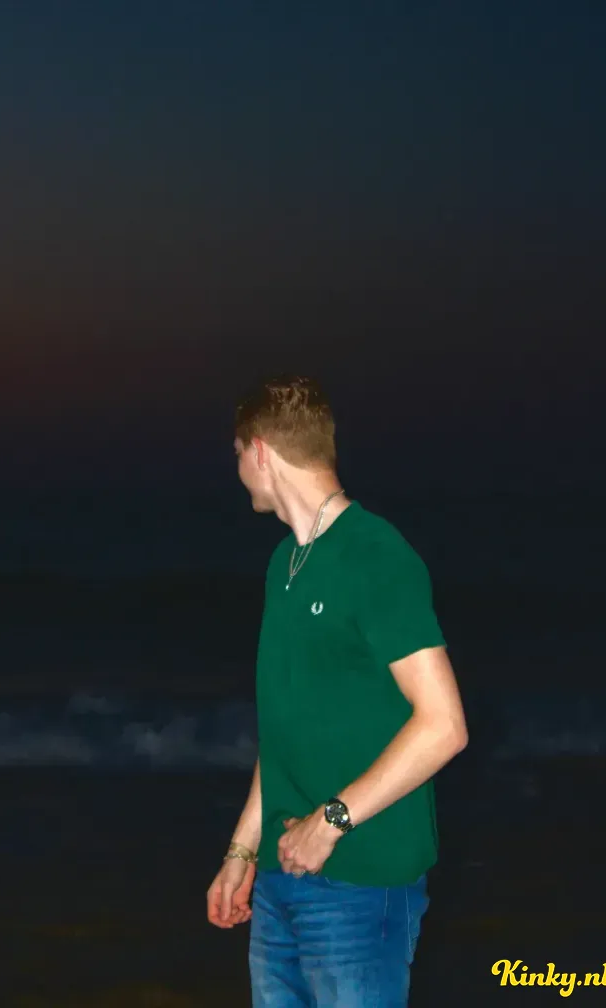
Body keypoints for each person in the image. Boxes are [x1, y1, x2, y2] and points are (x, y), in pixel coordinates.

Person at [207, 374, 468, 1007]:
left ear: (261, 451)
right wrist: (243, 848)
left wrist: (330, 822)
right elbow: (286, 729)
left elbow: (444, 725)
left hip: (361, 883)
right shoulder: (284, 565)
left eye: (237, 452)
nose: (237, 469)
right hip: (279, 882)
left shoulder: (376, 556)